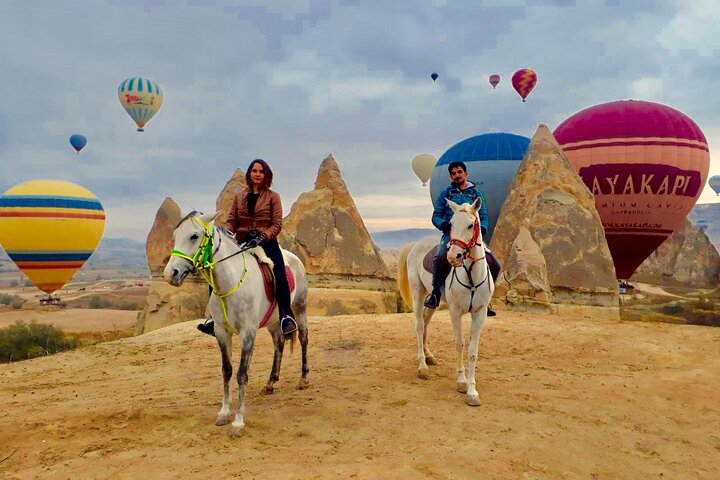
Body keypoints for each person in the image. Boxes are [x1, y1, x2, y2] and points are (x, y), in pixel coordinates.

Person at [197, 159, 298, 337]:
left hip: (266, 243)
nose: (257, 174)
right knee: (216, 270)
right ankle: (215, 319)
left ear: (266, 175)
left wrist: (262, 236)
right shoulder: (239, 196)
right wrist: (228, 232)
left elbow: (276, 224)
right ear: (249, 174)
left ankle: (285, 316)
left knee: (279, 272)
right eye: (254, 171)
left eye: (261, 171)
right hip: (243, 242)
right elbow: (232, 220)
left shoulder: (273, 197)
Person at [423, 160, 501, 315]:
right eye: (453, 173)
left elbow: (483, 215)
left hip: (471, 235)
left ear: (466, 174)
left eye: (459, 172)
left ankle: (486, 298)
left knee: (495, 263)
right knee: (440, 258)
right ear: (450, 176)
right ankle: (436, 294)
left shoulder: (476, 194)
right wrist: (442, 224)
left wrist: (483, 228)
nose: (457, 175)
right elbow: (436, 216)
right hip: (452, 235)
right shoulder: (446, 194)